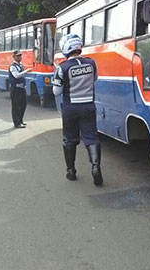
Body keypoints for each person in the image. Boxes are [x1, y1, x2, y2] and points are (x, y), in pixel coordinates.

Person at [52, 34, 102, 186]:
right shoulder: (91, 63)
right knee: (91, 137)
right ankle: (95, 166)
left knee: (70, 139)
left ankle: (71, 170)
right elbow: (95, 79)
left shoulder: (63, 67)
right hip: (88, 106)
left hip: (71, 108)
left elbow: (56, 92)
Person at [9, 50, 31, 129]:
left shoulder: (21, 65)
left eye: (20, 56)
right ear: (14, 57)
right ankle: (16, 123)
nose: (19, 57)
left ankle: (20, 120)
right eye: (17, 56)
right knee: (16, 106)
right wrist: (26, 71)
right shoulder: (12, 66)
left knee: (23, 104)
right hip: (15, 89)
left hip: (22, 88)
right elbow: (16, 76)